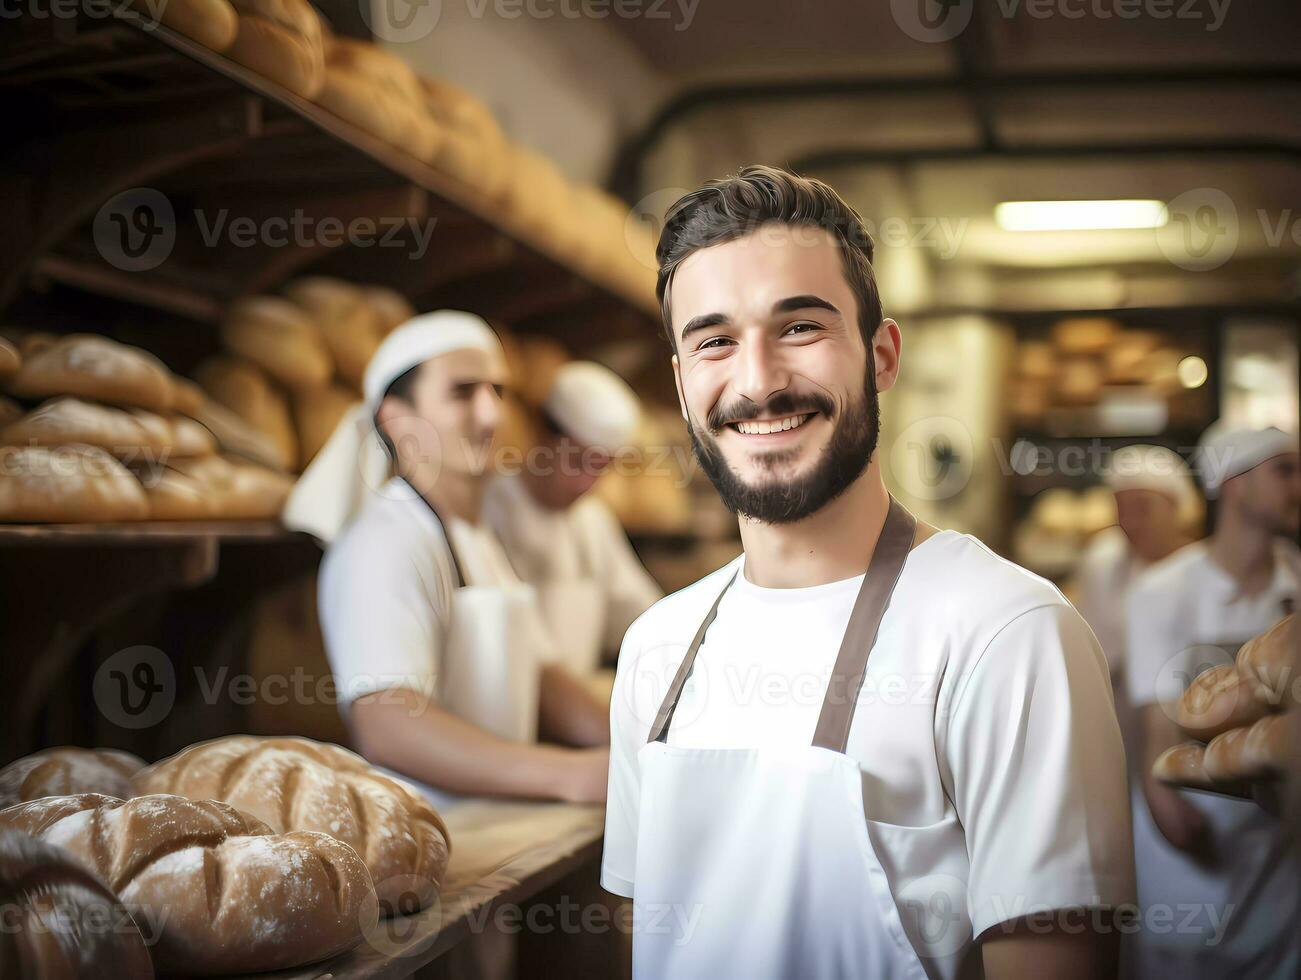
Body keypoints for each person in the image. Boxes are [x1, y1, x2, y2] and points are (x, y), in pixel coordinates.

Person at [601, 166, 1135, 980]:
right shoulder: (655, 648)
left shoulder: (1007, 635)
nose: (756, 381)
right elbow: (648, 934)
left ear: (881, 356)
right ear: (681, 385)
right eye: (713, 341)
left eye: (801, 327)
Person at [282, 311, 610, 807]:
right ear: (396, 419)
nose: (492, 415)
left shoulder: (478, 537)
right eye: (463, 392)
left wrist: (633, 746)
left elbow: (544, 677)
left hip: (495, 821)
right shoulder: (383, 542)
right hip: (431, 835)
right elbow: (388, 724)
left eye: (497, 391)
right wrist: (568, 775)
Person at [1125, 423, 1300, 980]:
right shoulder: (1163, 589)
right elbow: (1158, 733)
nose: (1299, 485)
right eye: (1284, 471)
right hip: (1192, 847)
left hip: (1279, 856)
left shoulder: (1296, 584)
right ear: (1235, 483)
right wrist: (1170, 809)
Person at [483, 361, 663, 677]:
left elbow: (644, 617)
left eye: (601, 468)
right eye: (577, 461)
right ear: (541, 434)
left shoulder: (593, 522)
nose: (586, 484)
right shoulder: (489, 507)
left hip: (574, 715)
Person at [1074, 444, 1200, 763]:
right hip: (1119, 727)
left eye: (1143, 507)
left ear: (1176, 506)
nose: (1130, 521)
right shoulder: (1103, 564)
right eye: (1121, 508)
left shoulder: (1204, 571)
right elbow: (1091, 653)